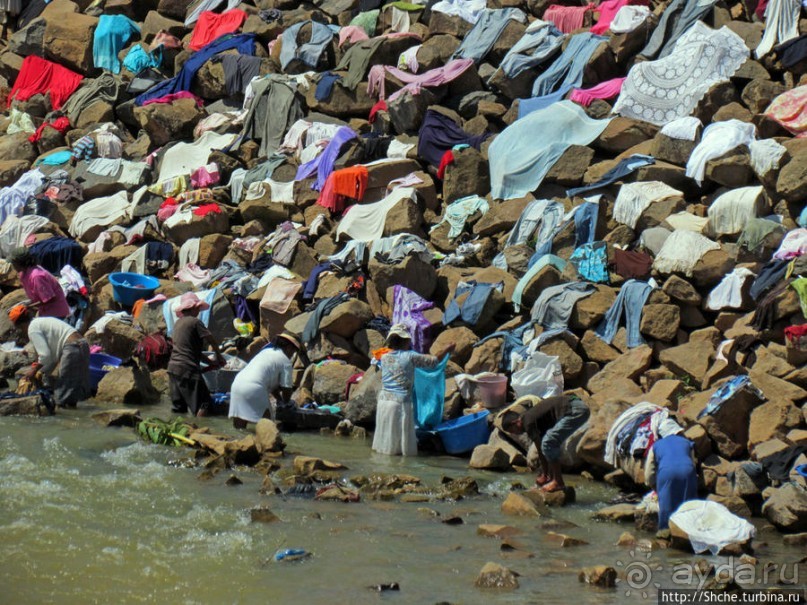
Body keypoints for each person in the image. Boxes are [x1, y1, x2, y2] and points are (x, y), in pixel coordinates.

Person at [372, 324, 451, 456]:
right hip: (400, 404)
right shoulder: (410, 356)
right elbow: (433, 361)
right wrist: (447, 348)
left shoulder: (383, 357)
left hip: (384, 402)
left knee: (386, 443)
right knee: (400, 446)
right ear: (405, 340)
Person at [501, 394, 590, 493]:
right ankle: (553, 479)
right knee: (549, 443)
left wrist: (544, 474)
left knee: (548, 442)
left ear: (515, 422)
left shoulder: (528, 422)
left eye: (512, 431)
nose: (515, 434)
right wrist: (546, 474)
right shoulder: (534, 418)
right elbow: (545, 451)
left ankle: (558, 482)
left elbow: (541, 448)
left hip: (574, 410)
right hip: (576, 406)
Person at [8, 304, 90, 408]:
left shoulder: (32, 328)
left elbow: (45, 355)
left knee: (61, 395)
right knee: (71, 394)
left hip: (72, 348)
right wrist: (42, 372)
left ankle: (64, 419)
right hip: (82, 345)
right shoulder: (39, 322)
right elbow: (51, 358)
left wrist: (33, 371)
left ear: (20, 325)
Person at [167, 292, 225, 417]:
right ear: (193, 308)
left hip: (173, 369)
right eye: (198, 308)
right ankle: (200, 429)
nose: (199, 310)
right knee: (204, 403)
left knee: (179, 408)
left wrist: (211, 363)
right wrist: (219, 356)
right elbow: (212, 340)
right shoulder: (195, 322)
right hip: (187, 368)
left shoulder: (178, 324)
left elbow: (192, 351)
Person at [228, 332, 302, 429]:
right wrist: (287, 402)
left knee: (239, 428)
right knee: (268, 428)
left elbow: (270, 384)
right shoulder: (285, 361)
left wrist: (279, 399)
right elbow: (286, 389)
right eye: (293, 352)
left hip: (237, 385)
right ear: (289, 348)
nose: (292, 355)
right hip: (254, 389)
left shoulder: (265, 352)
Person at [644, 420, 698, 531]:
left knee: (666, 506)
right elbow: (693, 463)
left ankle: (665, 533)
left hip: (667, 472)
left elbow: (649, 472)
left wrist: (653, 486)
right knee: (689, 505)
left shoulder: (656, 446)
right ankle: (689, 532)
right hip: (687, 470)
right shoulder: (686, 442)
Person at [9, 247, 70, 319]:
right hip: (45, 311)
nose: (13, 266)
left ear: (18, 263)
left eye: (13, 263)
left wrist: (28, 306)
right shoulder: (24, 274)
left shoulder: (36, 276)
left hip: (56, 312)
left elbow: (49, 298)